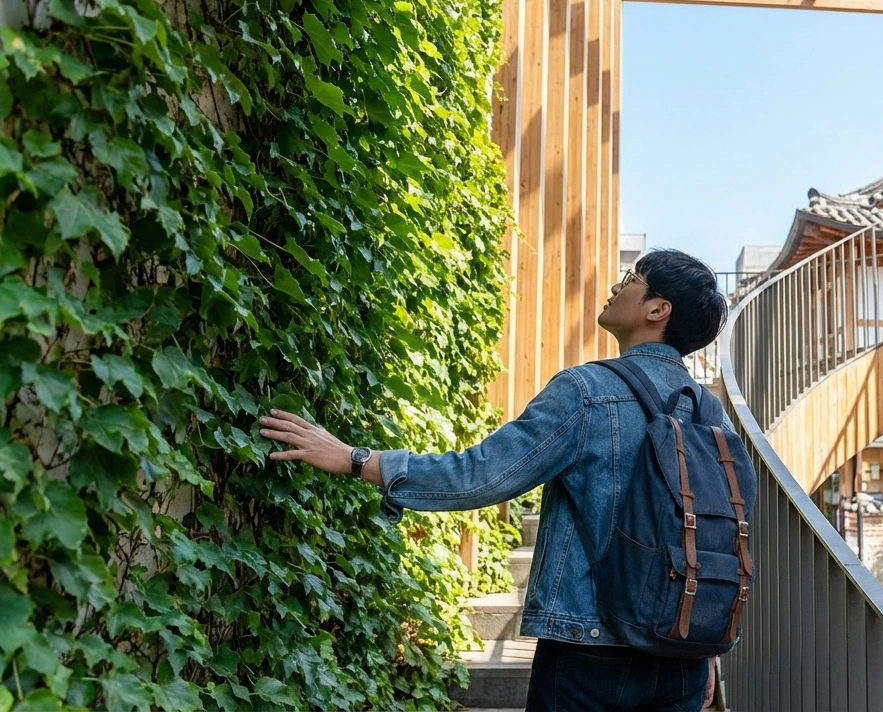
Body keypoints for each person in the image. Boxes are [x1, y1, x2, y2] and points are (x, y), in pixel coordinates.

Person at [259, 249, 730, 712]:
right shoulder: (713, 417)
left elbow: (482, 475)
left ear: (657, 309)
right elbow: (716, 537)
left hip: (589, 650)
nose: (615, 286)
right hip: (681, 656)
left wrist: (356, 459)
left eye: (631, 279)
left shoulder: (587, 391)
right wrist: (703, 643)